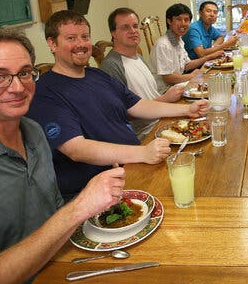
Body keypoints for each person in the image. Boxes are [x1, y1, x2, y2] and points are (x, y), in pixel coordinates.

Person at [0, 27, 126, 284]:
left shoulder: (33, 131)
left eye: (25, 73)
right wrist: (79, 208)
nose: (17, 87)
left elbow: (52, 215)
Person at [27, 10, 209, 201]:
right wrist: (143, 153)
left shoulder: (96, 75)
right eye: (71, 38)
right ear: (52, 43)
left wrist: (187, 109)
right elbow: (76, 149)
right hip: (102, 189)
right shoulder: (45, 92)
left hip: (136, 163)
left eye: (85, 37)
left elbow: (138, 105)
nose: (81, 44)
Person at [100, 7, 184, 139]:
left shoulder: (138, 57)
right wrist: (165, 99)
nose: (133, 31)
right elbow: (121, 114)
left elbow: (150, 96)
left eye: (135, 26)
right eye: (125, 27)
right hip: (146, 133)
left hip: (161, 117)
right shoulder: (112, 65)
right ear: (114, 33)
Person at [150, 3, 223, 93]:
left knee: (217, 82)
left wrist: (210, 57)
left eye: (186, 20)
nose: (183, 24)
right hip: (166, 91)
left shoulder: (179, 40)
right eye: (179, 19)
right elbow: (168, 78)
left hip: (178, 84)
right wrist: (191, 76)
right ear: (169, 21)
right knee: (214, 89)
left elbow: (186, 65)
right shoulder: (163, 44)